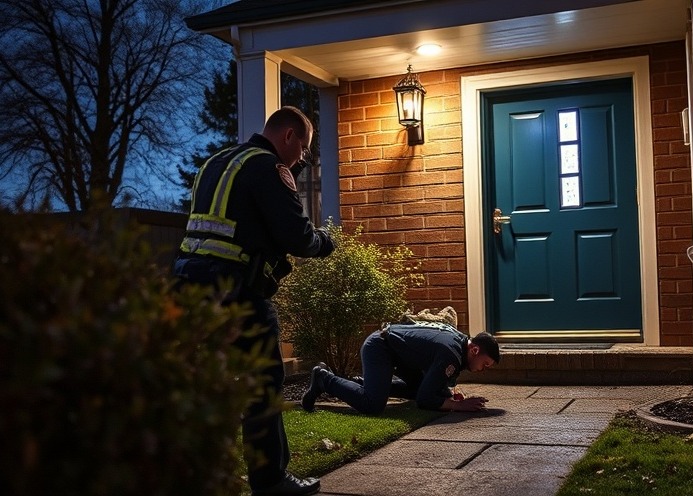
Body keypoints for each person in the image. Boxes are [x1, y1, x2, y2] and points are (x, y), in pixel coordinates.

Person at [172, 106, 335, 496]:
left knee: (200, 382)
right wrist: (324, 243)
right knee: (262, 383)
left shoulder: (217, 161)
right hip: (237, 290)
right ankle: (271, 481)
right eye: (303, 151)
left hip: (187, 285)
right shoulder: (268, 167)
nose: (300, 160)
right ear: (289, 137)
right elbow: (295, 235)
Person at [301, 308, 500, 415]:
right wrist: (459, 406)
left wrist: (449, 396)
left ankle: (360, 384)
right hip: (380, 347)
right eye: (485, 364)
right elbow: (424, 400)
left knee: (425, 390)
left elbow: (433, 387)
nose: (483, 370)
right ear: (474, 350)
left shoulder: (458, 340)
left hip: (394, 349)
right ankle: (323, 379)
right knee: (372, 405)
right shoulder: (452, 354)